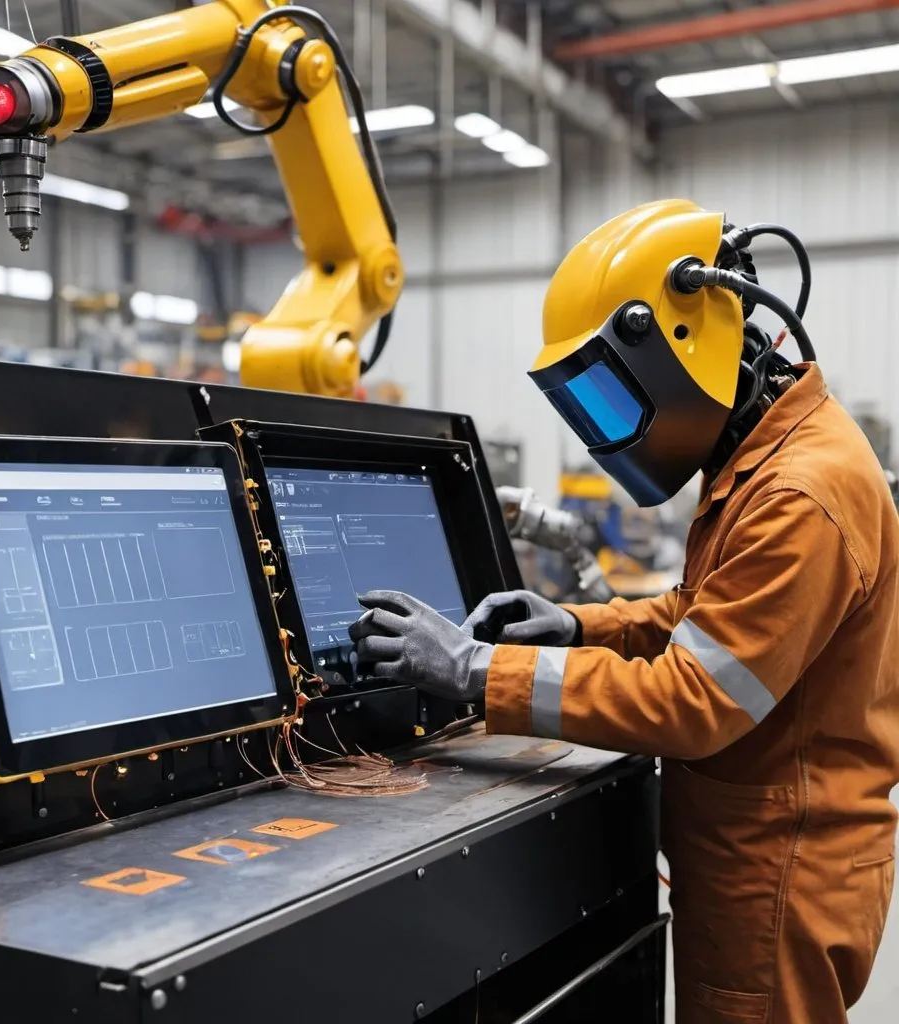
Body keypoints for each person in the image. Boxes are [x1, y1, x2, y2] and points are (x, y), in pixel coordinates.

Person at [350, 200, 899, 1024]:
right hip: (758, 846)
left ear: (679, 350)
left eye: (614, 400)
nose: (609, 436)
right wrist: (578, 625)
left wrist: (473, 670)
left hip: (777, 874)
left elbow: (696, 699)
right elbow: (703, 615)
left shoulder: (799, 492)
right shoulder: (770, 452)